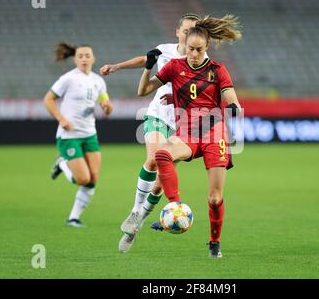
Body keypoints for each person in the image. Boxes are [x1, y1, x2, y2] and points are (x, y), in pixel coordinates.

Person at [137, 14, 242, 258]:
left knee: (215, 199)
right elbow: (142, 91)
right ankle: (175, 205)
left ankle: (214, 242)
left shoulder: (217, 70)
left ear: (207, 47)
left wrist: (234, 105)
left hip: (214, 134)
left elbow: (229, 94)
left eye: (198, 49)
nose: (193, 54)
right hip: (188, 132)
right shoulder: (175, 66)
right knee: (162, 154)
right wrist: (147, 68)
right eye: (190, 49)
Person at [100, 13, 202, 251]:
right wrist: (116, 66)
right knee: (154, 158)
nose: (190, 35)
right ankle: (135, 211)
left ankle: (137, 226)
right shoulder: (165, 50)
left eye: (194, 32)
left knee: (158, 185)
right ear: (178, 32)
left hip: (182, 123)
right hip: (158, 114)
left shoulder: (201, 59)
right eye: (186, 31)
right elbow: (143, 60)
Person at [44, 43, 113, 227]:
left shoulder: (98, 81)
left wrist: (107, 107)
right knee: (83, 179)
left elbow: (106, 104)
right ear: (75, 59)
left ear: (93, 59)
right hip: (69, 136)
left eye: (87, 55)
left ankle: (73, 218)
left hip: (90, 134)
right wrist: (61, 119)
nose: (83, 58)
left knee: (93, 179)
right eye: (80, 56)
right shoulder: (68, 79)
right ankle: (62, 163)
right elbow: (48, 99)